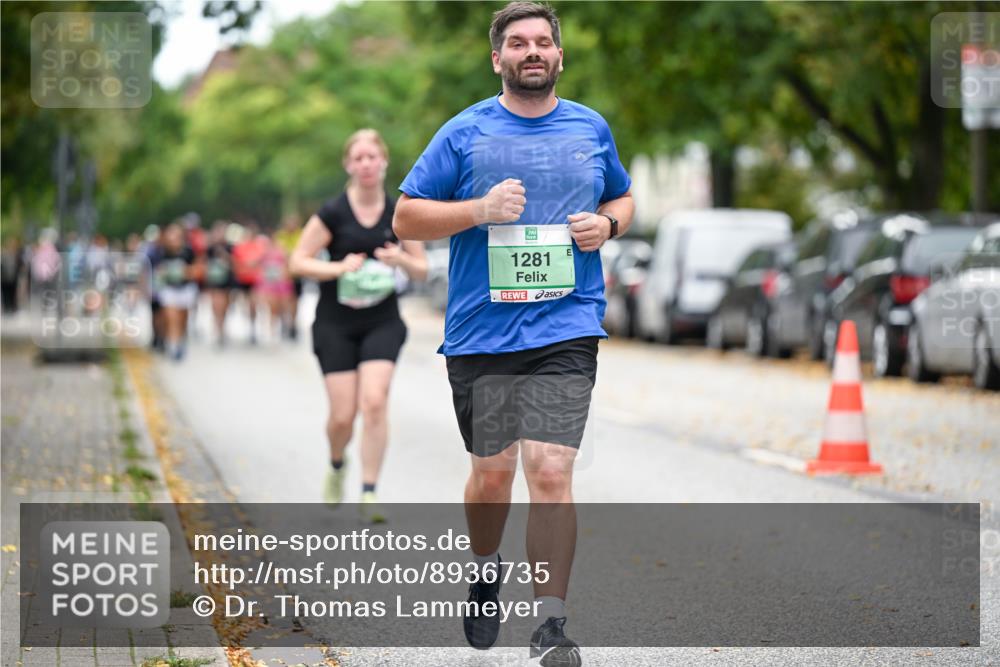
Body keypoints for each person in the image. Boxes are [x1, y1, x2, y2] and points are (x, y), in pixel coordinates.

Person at [392, 3, 634, 664]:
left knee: (551, 470)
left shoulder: (590, 128)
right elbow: (406, 217)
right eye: (519, 43)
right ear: (497, 58)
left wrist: (608, 226)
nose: (533, 52)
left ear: (559, 56)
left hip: (567, 325)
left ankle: (552, 623)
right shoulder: (466, 132)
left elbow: (622, 196)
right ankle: (484, 562)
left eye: (543, 42)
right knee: (493, 475)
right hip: (483, 335)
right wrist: (477, 210)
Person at [290, 129, 427, 523]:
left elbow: (421, 268)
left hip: (382, 321)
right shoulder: (332, 212)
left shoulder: (399, 212)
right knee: (342, 417)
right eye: (359, 158)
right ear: (348, 165)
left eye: (373, 156)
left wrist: (399, 260)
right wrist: (338, 267)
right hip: (335, 323)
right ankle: (337, 463)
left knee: (375, 402)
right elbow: (298, 261)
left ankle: (369, 490)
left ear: (384, 162)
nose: (366, 164)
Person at [153, 222, 202, 361]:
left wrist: (186, 272)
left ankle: (180, 340)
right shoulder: (161, 252)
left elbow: (198, 269)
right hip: (169, 289)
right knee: (171, 317)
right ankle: (173, 345)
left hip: (186, 289)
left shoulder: (188, 251)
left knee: (182, 319)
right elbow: (156, 271)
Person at [204, 220, 235, 347]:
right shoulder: (209, 248)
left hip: (226, 281)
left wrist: (224, 256)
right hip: (214, 282)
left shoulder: (230, 247)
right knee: (216, 305)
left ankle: (222, 327)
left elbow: (234, 264)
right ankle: (218, 329)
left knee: (225, 306)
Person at [274, 214, 304, 340]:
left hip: (296, 274)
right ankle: (284, 322)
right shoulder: (280, 236)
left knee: (295, 301)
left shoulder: (301, 234)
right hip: (284, 275)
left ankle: (292, 323)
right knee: (282, 300)